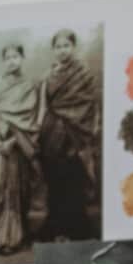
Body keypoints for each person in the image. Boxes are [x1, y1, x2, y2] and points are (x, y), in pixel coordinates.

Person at [0, 41, 45, 257]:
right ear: (3, 61)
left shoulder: (31, 85)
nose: (12, 61)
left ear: (22, 58)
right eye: (8, 57)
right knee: (1, 188)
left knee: (18, 188)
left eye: (15, 56)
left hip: (20, 143)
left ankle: (16, 235)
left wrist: (12, 141)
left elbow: (32, 117)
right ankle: (0, 234)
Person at [40, 27, 101, 244]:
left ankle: (76, 228)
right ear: (53, 50)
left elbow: (88, 103)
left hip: (75, 134)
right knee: (55, 180)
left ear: (73, 47)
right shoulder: (50, 74)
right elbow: (46, 103)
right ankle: (56, 227)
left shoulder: (83, 73)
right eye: (58, 46)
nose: (62, 50)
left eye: (66, 46)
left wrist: (73, 121)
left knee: (73, 180)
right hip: (52, 132)